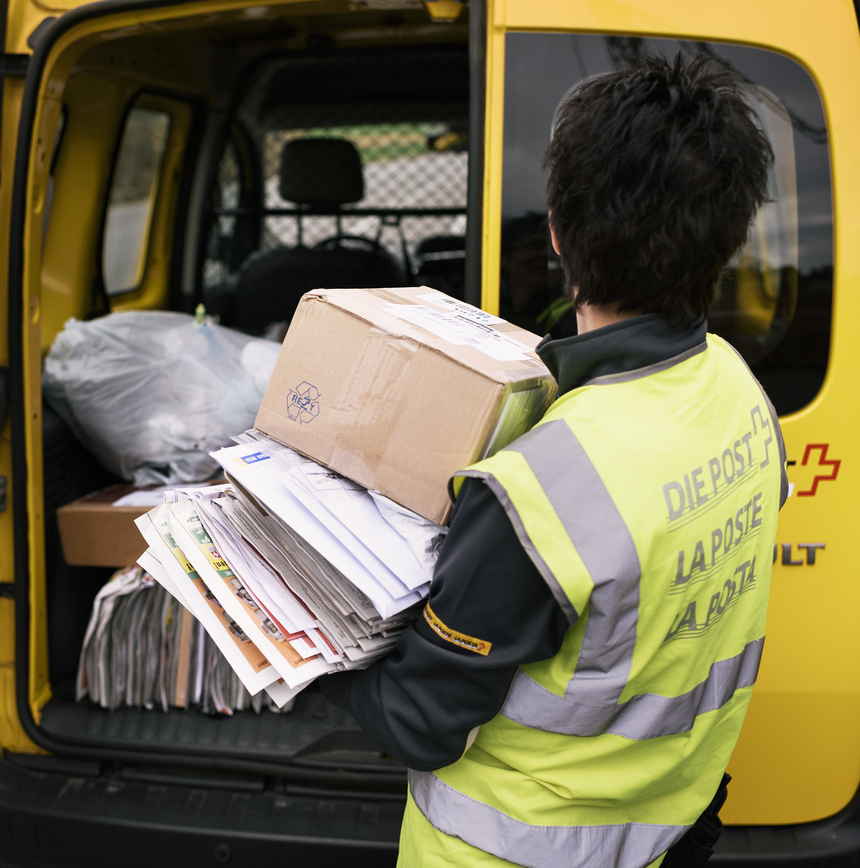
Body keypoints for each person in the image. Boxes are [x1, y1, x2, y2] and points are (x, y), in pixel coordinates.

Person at [320, 54, 789, 868]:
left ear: (557, 235)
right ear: (731, 233)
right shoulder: (737, 390)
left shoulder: (539, 492)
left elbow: (419, 723)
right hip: (672, 822)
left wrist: (293, 649)